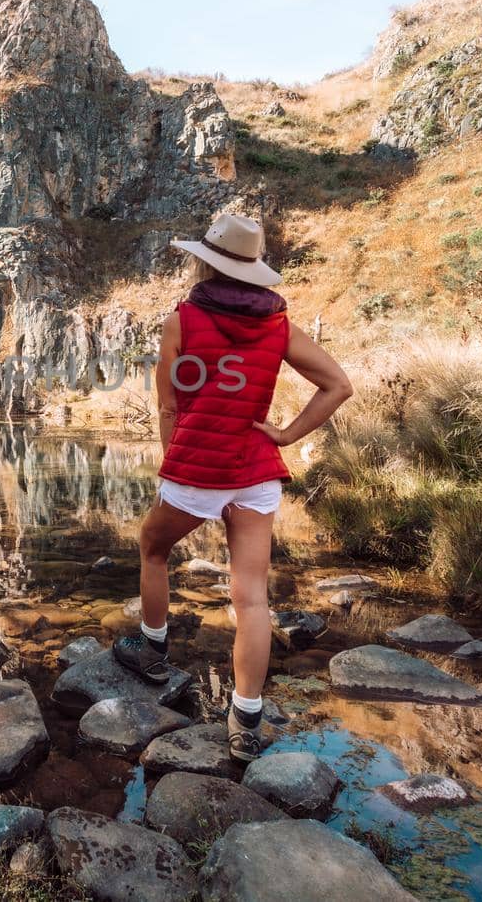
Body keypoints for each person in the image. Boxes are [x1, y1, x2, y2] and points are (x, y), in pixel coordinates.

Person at [112, 213, 354, 761]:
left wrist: (173, 467)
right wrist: (286, 435)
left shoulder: (183, 319)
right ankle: (245, 723)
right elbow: (338, 386)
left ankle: (151, 649)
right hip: (255, 472)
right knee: (251, 599)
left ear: (206, 261)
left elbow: (169, 405)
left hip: (198, 468)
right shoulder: (280, 326)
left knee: (153, 548)